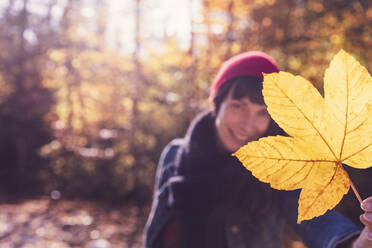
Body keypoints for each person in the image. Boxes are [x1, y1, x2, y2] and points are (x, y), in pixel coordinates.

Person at [144, 51, 372, 248]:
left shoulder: (278, 166)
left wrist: (359, 241)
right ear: (217, 104)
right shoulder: (174, 155)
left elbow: (319, 222)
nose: (247, 124)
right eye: (238, 106)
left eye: (261, 112)